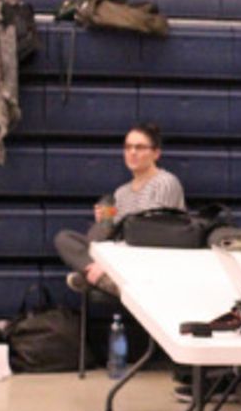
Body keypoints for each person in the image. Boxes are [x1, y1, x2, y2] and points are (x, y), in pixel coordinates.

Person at [54, 122, 184, 296]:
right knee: (64, 238)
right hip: (120, 253)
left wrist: (109, 262)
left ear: (156, 153)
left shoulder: (165, 182)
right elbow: (106, 236)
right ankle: (105, 279)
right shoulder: (122, 192)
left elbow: (152, 235)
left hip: (149, 258)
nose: (132, 152)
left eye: (139, 147)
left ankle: (98, 278)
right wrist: (106, 220)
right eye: (128, 147)